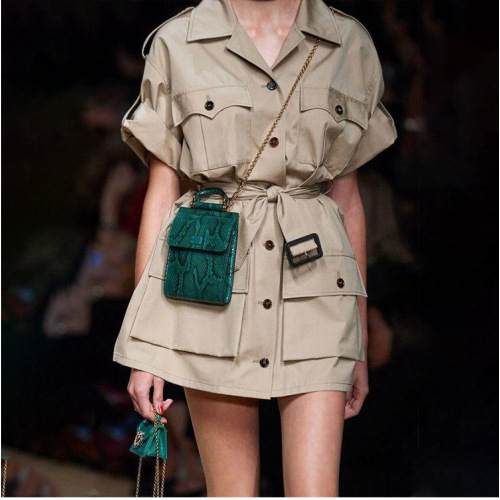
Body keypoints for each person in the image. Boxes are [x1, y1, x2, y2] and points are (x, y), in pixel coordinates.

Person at [113, 0, 397, 496]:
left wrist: (358, 341)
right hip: (212, 291)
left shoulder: (348, 43)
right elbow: (162, 193)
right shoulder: (179, 41)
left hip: (318, 292)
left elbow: (347, 199)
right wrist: (147, 345)